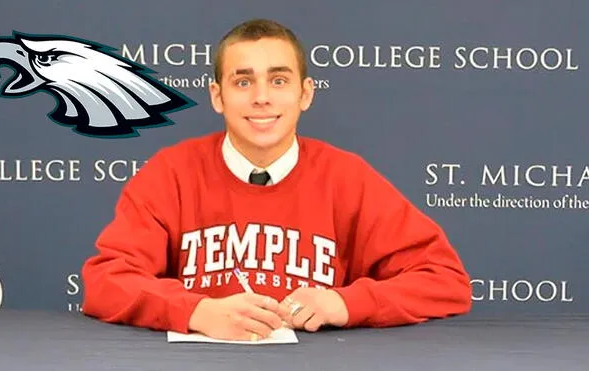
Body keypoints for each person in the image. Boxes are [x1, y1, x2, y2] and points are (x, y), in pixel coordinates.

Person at [81, 18, 472, 341]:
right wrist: (196, 311)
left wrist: (344, 304)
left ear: (305, 94)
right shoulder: (172, 173)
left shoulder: (346, 177)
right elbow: (106, 280)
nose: (262, 98)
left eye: (279, 81)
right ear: (218, 96)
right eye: (243, 81)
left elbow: (444, 280)